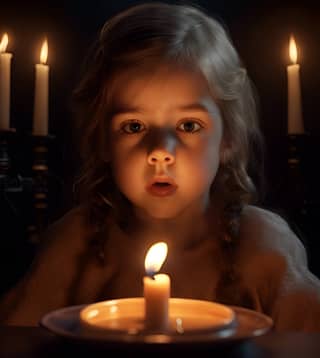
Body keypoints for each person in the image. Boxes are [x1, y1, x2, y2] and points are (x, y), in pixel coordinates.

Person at [0, 1, 320, 331]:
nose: (160, 152)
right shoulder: (76, 245)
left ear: (229, 139)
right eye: (134, 126)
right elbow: (15, 340)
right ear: (103, 142)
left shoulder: (262, 245)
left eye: (189, 126)